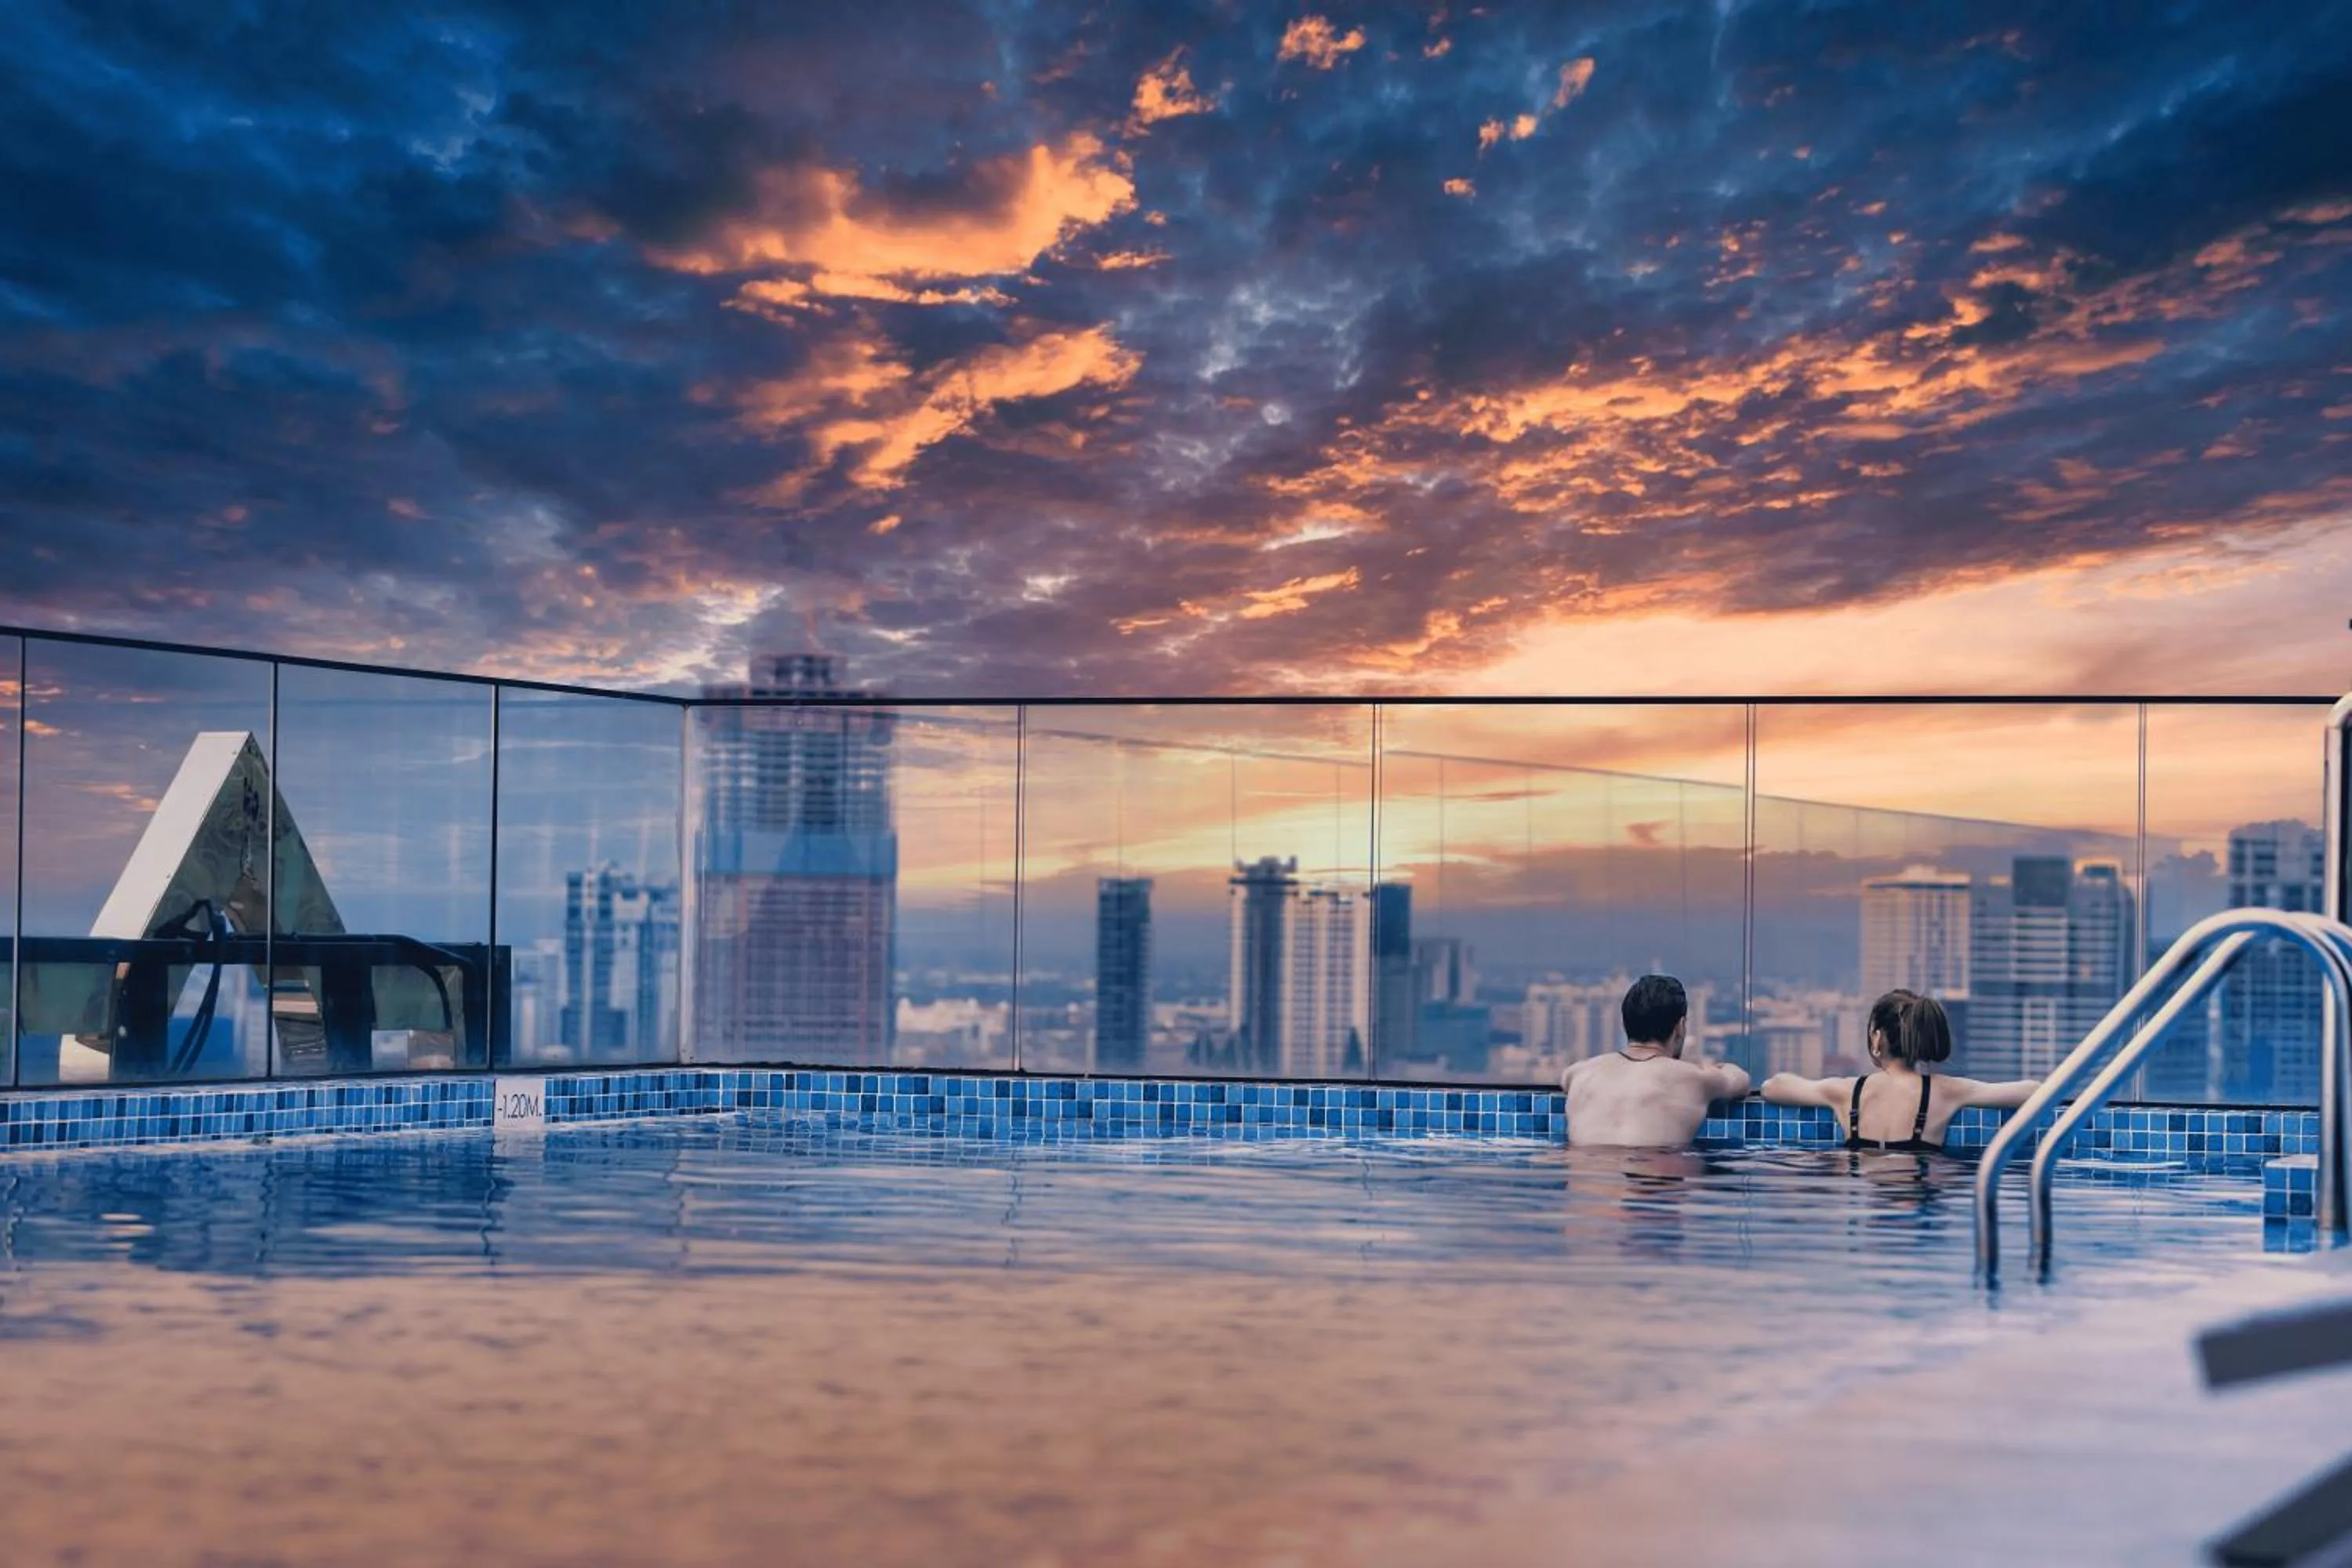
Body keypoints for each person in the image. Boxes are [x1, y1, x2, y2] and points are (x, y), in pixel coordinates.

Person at [1759, 989, 2040, 1152]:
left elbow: (1773, 1086)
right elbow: (2034, 1091)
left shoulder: (1847, 1091)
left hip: (1861, 1197)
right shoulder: (1946, 1091)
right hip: (1919, 1199)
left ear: (1877, 1038)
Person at [1562, 975, 1751, 1147]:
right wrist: (1717, 1069)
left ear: (1625, 1024)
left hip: (1585, 1180)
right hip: (1654, 1182)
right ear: (1681, 1027)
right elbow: (1740, 1081)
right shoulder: (1695, 1079)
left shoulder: (1577, 1074)